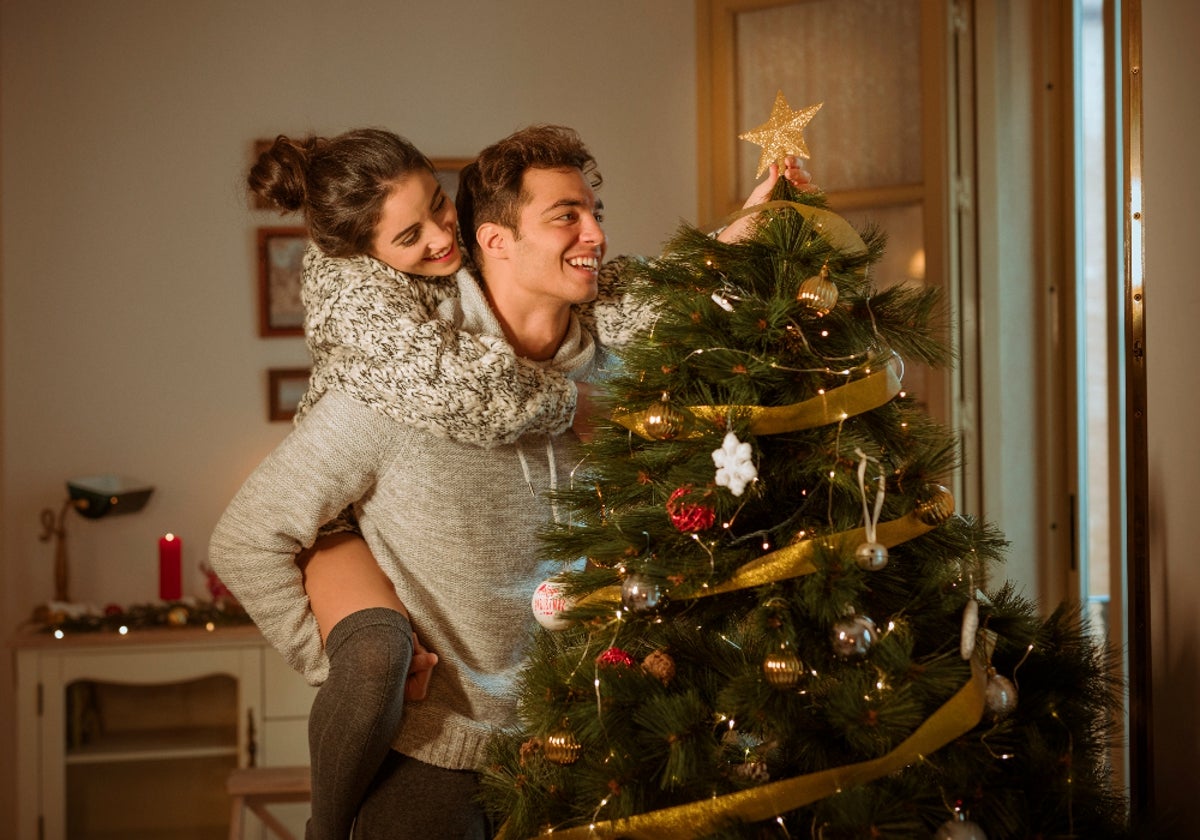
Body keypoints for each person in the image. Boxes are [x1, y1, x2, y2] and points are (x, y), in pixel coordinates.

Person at [215, 126, 810, 838]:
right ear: (496, 239)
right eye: (566, 216)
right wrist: (346, 671)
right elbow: (246, 540)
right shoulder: (392, 389)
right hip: (443, 745)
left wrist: (742, 234)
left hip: (592, 733)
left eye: (596, 212)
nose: (594, 233)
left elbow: (666, 292)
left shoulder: (619, 368)